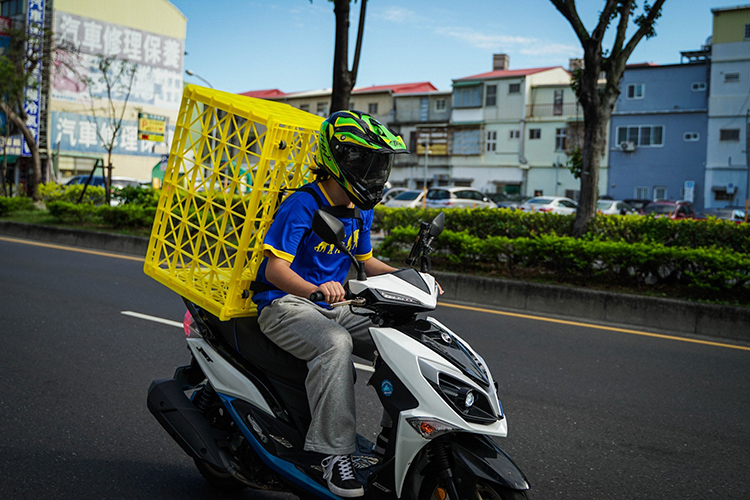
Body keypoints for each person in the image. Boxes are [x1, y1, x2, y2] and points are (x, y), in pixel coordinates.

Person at [251, 110, 409, 497]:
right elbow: (274, 270)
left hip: (330, 303)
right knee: (335, 342)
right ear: (341, 159)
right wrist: (315, 290)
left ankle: (395, 439)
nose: (374, 172)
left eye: (379, 164)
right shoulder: (303, 204)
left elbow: (367, 262)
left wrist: (408, 279)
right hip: (285, 304)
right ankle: (333, 455)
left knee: (399, 334)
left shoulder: (360, 207)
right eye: (366, 161)